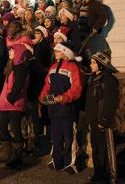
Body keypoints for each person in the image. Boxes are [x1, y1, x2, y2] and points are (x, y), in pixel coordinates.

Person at [39, 41, 82, 175]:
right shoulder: (52, 67)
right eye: (55, 50)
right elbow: (47, 85)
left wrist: (62, 98)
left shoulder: (73, 68)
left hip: (67, 109)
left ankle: (70, 163)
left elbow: (76, 89)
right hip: (54, 110)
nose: (55, 52)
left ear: (65, 52)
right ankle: (56, 160)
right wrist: (42, 98)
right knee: (56, 137)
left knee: (69, 137)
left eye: (58, 50)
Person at [85, 51, 118, 184]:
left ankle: (110, 177)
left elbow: (111, 101)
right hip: (93, 120)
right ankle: (98, 174)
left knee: (105, 149)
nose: (90, 65)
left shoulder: (108, 79)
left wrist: (104, 120)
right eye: (91, 62)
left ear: (101, 65)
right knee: (96, 148)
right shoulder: (92, 78)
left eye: (93, 63)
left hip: (102, 120)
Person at [0, 43, 30, 168]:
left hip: (15, 102)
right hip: (7, 102)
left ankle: (18, 156)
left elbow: (19, 86)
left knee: (15, 129)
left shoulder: (21, 68)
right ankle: (8, 151)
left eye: (11, 51)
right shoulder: (11, 66)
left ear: (18, 53)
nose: (9, 53)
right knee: (1, 127)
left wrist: (10, 98)